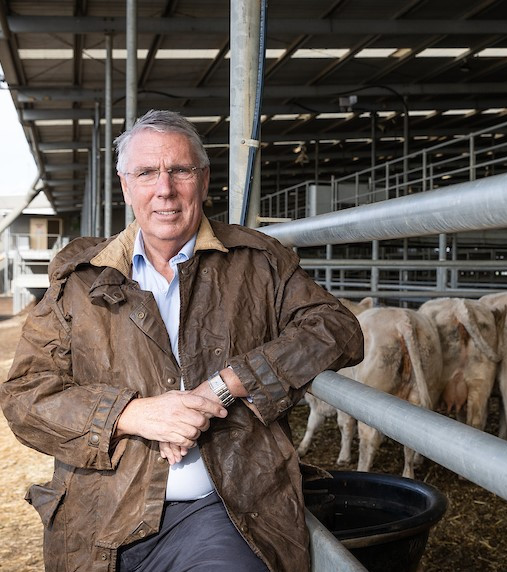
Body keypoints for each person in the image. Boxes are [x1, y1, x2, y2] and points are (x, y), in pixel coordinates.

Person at [0, 109, 364, 572]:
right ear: (125, 184)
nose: (164, 189)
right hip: (100, 514)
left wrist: (228, 382)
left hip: (222, 511)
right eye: (147, 172)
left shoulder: (256, 262)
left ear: (204, 178)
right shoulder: (79, 280)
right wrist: (134, 414)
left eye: (180, 170)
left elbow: (337, 327)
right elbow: (24, 396)